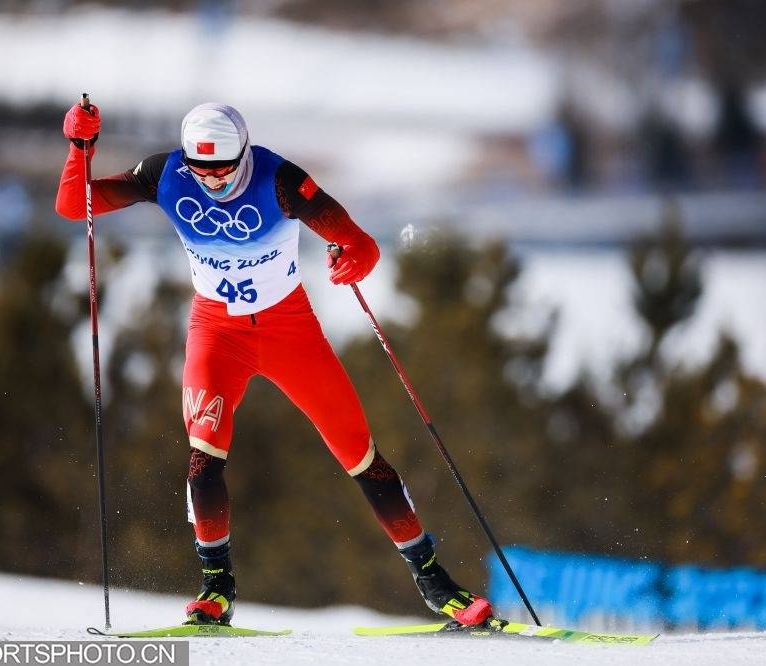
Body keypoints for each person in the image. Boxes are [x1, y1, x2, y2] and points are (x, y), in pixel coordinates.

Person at [55, 100, 494, 627]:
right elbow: (74, 206)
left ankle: (435, 583)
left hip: (290, 331)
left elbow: (359, 241)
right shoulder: (163, 174)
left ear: (244, 151)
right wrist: (78, 148)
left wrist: (353, 255)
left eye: (224, 168)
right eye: (203, 169)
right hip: (217, 332)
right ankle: (216, 588)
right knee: (202, 458)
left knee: (361, 456)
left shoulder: (280, 178)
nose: (214, 181)